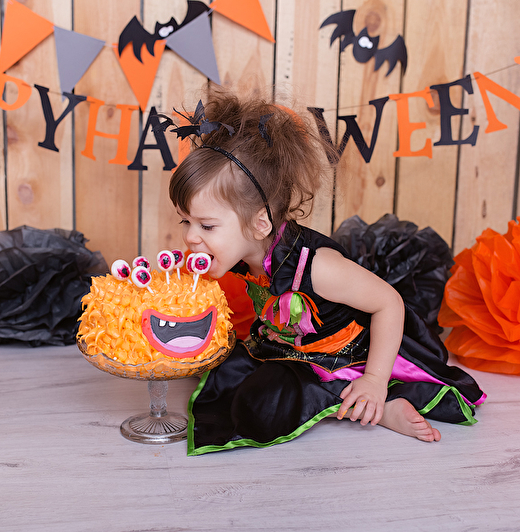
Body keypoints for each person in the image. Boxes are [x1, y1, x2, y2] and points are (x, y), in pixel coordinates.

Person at [168, 87, 485, 456]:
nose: (191, 237)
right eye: (186, 222)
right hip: (285, 346)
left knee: (263, 407)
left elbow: (390, 303)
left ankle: (376, 403)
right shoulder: (244, 252)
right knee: (226, 376)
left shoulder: (318, 267)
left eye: (206, 226)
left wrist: (374, 380)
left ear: (259, 223)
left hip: (344, 355)